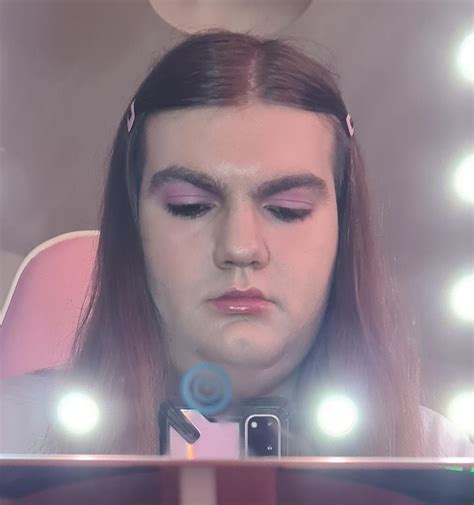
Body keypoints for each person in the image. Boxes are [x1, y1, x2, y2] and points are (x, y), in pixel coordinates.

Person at [1, 30, 472, 457]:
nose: (241, 247)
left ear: (343, 227)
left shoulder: (433, 455)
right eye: (190, 206)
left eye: (287, 209)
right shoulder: (14, 435)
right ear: (133, 225)